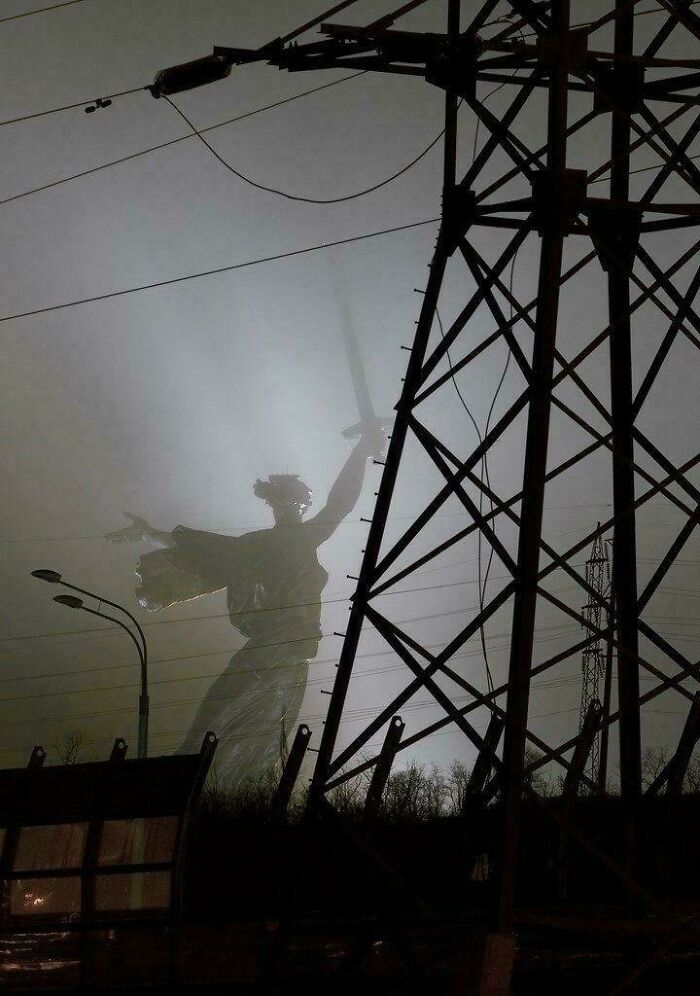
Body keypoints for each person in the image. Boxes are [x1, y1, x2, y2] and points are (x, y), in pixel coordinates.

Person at [106, 425, 386, 784]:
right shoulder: (257, 547)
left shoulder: (298, 539)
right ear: (274, 506)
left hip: (287, 650)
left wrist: (360, 452)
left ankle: (203, 782)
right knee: (227, 713)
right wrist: (148, 533)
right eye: (279, 503)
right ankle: (200, 781)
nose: (285, 510)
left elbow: (340, 502)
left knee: (244, 723)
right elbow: (205, 553)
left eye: (291, 503)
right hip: (274, 649)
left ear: (299, 506)